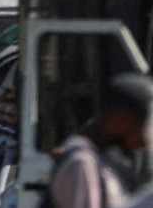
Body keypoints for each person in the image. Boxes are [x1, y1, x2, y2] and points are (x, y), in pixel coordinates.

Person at [49, 73, 153, 208]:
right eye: (141, 130)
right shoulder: (81, 162)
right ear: (120, 120)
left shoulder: (101, 161)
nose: (142, 143)